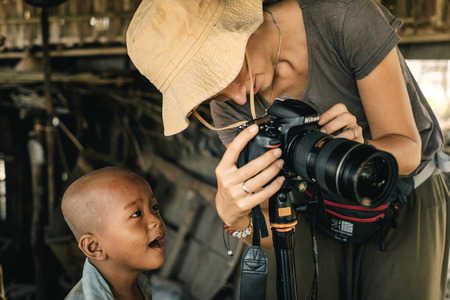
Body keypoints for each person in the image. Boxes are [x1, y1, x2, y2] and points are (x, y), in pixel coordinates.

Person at [126, 0, 450, 299]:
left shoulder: (344, 16)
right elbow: (274, 233)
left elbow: (407, 151)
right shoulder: (227, 111)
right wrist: (237, 216)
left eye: (225, 71)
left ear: (237, 29)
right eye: (210, 92)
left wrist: (360, 151)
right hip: (314, 212)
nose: (238, 98)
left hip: (401, 196)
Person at [61, 167, 165, 300]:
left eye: (154, 207)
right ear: (94, 246)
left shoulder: (138, 285)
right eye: (136, 214)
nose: (156, 220)